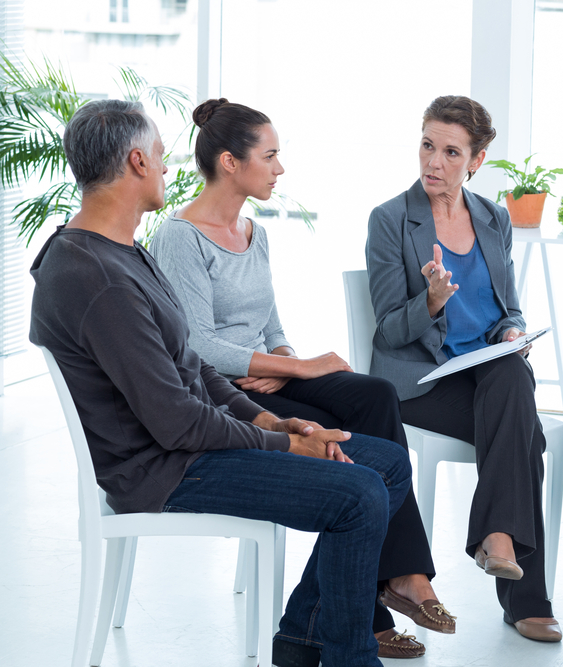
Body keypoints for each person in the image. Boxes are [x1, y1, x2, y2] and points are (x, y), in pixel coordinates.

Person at [29, 99, 412, 667]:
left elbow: (192, 363)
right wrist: (287, 443)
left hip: (185, 447)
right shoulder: (98, 277)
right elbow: (176, 420)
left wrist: (272, 419)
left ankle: (305, 639)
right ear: (136, 162)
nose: (166, 168)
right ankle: (347, 657)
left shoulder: (125, 251)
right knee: (358, 492)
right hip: (163, 468)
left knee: (384, 464)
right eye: (160, 156)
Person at [148, 99, 448, 660]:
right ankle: (367, 609)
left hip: (266, 376)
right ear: (232, 162)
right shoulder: (180, 237)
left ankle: (395, 578)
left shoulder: (254, 232)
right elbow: (197, 345)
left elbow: (270, 324)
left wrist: (282, 358)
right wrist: (298, 367)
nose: (280, 168)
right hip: (223, 391)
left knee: (374, 396)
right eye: (271, 155)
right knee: (357, 453)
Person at [365, 95, 560, 642]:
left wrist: (514, 334)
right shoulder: (390, 221)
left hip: (486, 374)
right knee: (526, 435)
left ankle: (499, 538)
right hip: (422, 381)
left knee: (512, 374)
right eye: (428, 145)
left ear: (474, 161)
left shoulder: (494, 218)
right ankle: (524, 595)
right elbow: (387, 329)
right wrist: (429, 301)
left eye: (451, 152)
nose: (434, 162)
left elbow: (509, 310)